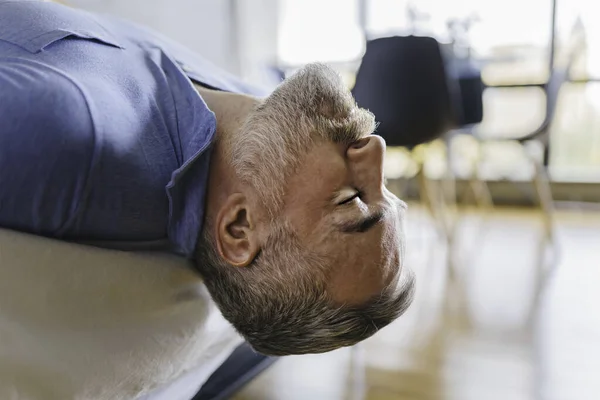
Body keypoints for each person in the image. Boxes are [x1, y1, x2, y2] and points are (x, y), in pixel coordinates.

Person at [0, 0, 415, 357]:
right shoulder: (258, 109)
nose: (374, 148)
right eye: (388, 190)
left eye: (351, 198)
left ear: (239, 227)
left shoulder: (71, 139)